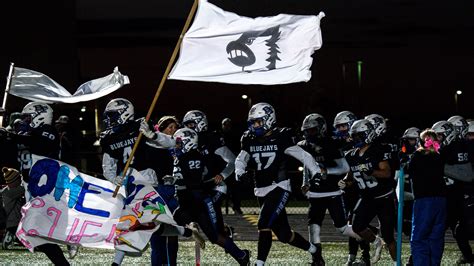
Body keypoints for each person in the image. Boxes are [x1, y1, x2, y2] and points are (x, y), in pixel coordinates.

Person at [235, 102, 322, 266]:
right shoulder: (249, 138)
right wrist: (240, 173)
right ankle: (315, 251)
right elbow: (241, 159)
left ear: (269, 119)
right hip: (261, 188)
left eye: (258, 121)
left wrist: (316, 172)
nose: (255, 125)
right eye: (253, 122)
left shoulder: (282, 136)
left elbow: (303, 155)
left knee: (263, 223)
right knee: (284, 235)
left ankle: (259, 264)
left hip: (280, 186)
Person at [172, 127, 250, 265]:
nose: (176, 145)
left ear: (188, 142)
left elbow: (195, 183)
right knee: (174, 219)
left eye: (178, 143)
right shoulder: (182, 157)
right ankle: (192, 229)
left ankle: (241, 255)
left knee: (214, 236)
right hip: (189, 201)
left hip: (199, 201)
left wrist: (177, 182)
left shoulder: (193, 157)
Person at [7, 102, 71, 265]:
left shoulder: (47, 131)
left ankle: (69, 243)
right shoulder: (24, 133)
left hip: (46, 189)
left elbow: (37, 143)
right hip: (31, 188)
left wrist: (12, 136)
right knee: (31, 234)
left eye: (28, 117)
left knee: (30, 229)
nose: (25, 121)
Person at [298, 113, 352, 266]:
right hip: (316, 192)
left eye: (312, 130)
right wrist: (306, 182)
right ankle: (317, 258)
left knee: (342, 228)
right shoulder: (305, 145)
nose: (309, 134)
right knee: (313, 226)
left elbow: (344, 167)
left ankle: (372, 237)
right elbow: (307, 168)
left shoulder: (331, 143)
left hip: (333, 191)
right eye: (306, 131)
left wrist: (327, 171)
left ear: (321, 128)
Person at [339, 119, 392, 263]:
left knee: (388, 235)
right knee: (357, 226)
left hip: (383, 197)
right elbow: (350, 175)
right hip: (366, 197)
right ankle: (376, 242)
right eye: (354, 135)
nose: (355, 138)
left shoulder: (377, 150)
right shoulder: (351, 155)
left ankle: (396, 262)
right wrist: (345, 181)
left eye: (358, 135)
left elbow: (387, 173)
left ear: (368, 134)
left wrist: (372, 171)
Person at [332, 110, 371, 265]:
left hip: (359, 187)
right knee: (349, 222)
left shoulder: (359, 142)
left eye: (343, 126)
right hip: (345, 186)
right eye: (338, 126)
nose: (340, 129)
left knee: (354, 221)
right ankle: (353, 255)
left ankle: (365, 254)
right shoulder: (340, 143)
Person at [182, 110, 236, 220]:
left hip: (212, 186)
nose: (188, 128)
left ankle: (221, 232)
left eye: (191, 124)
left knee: (208, 214)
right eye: (186, 125)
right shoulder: (183, 139)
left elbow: (232, 160)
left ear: (201, 124)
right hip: (193, 187)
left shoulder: (211, 139)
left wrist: (222, 175)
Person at [407, 129, 447, 266]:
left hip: (424, 200)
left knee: (419, 237)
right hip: (441, 200)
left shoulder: (418, 155)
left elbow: (408, 170)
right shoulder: (439, 156)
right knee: (436, 238)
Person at [397, 126, 421, 266]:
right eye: (407, 140)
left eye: (411, 140)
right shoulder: (402, 153)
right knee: (406, 228)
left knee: (417, 229)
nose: (407, 143)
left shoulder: (424, 154)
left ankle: (415, 257)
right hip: (405, 196)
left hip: (419, 197)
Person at [221, 117, 243, 215]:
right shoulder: (219, 137)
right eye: (225, 124)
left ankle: (236, 207)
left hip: (233, 166)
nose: (227, 126)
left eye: (228, 124)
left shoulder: (235, 137)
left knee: (235, 188)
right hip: (222, 167)